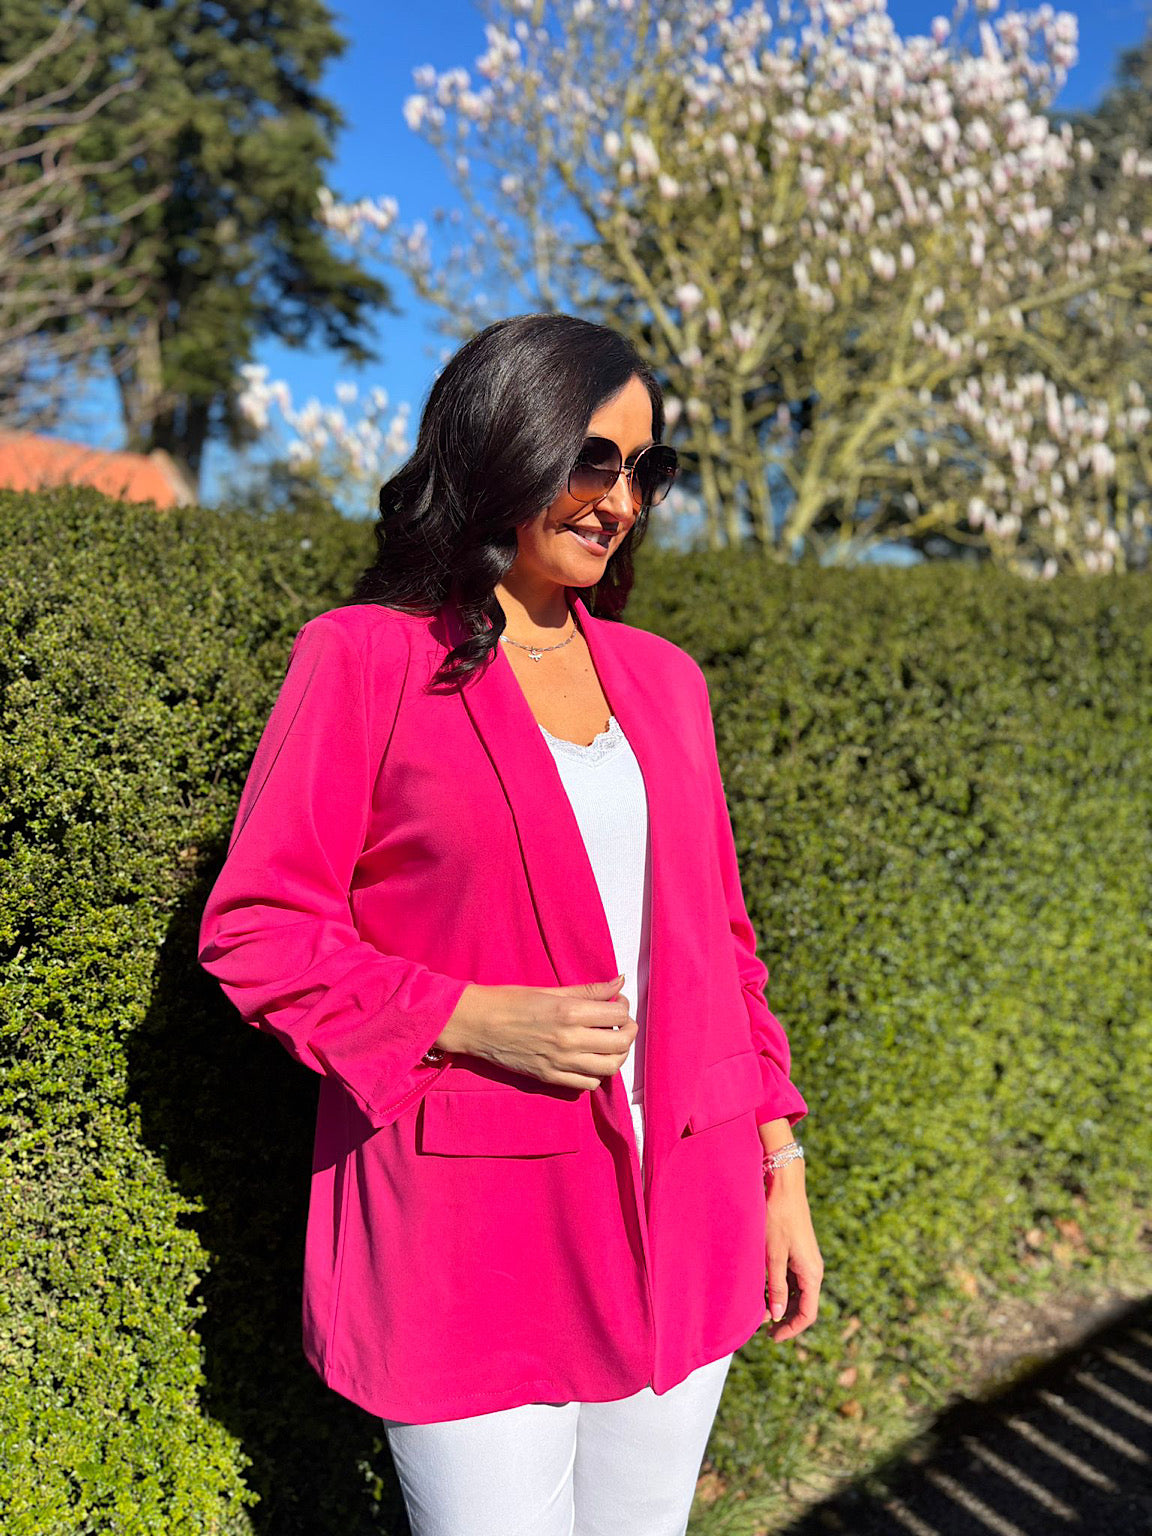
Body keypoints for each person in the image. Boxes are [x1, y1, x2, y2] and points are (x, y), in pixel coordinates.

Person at [198, 312, 823, 1535]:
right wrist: (469, 1017)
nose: (621, 500)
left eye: (644, 469)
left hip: (689, 1203)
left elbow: (725, 948)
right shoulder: (363, 661)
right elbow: (258, 928)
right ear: (505, 441)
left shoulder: (667, 683)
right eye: (594, 460)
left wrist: (778, 1163)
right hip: (471, 1239)